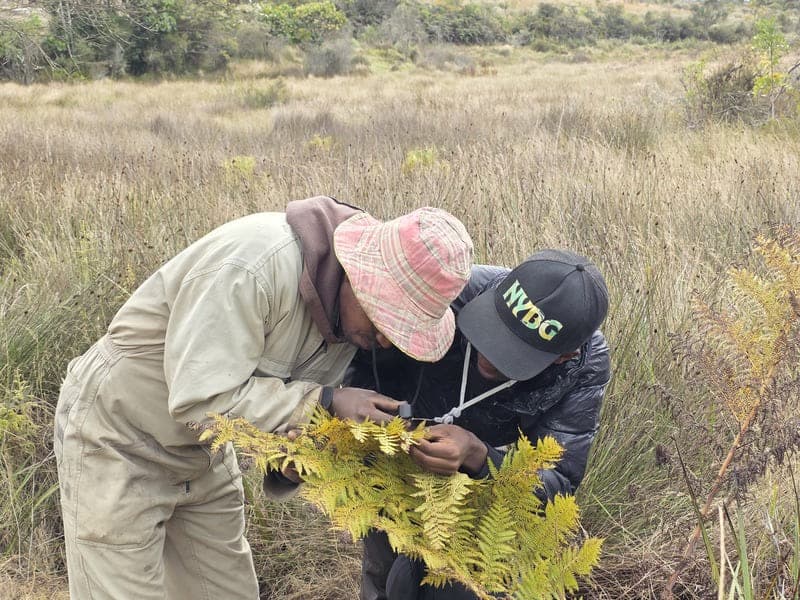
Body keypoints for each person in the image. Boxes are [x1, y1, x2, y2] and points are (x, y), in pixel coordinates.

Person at [53, 195, 474, 599]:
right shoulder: (252, 266)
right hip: (118, 438)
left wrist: (295, 462)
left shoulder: (351, 323)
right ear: (356, 273)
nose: (384, 338)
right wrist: (326, 402)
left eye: (399, 330)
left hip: (201, 456)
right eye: (384, 317)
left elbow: (271, 411)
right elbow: (199, 400)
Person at [347, 249, 611, 600]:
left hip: (473, 491)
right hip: (391, 457)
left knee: (458, 585)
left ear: (564, 356)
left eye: (514, 355)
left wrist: (478, 455)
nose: (489, 355)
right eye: (491, 330)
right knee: (384, 567)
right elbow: (365, 364)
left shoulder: (582, 367)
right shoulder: (452, 292)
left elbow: (557, 481)